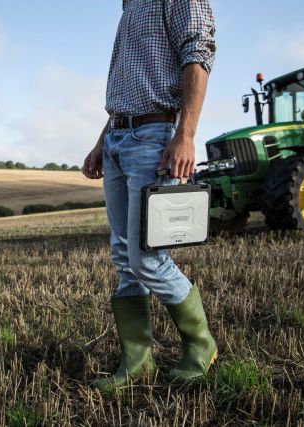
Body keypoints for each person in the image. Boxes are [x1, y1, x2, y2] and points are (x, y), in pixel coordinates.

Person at [83, 0, 218, 392]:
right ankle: (137, 362)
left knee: (148, 259)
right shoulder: (129, 7)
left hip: (155, 139)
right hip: (118, 138)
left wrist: (186, 134)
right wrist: (101, 141)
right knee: (125, 259)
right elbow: (132, 86)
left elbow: (199, 51)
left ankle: (200, 343)